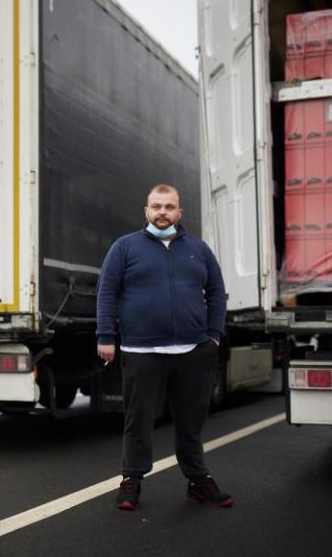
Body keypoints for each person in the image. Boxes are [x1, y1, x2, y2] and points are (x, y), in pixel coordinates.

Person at [96, 183, 232, 510]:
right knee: (138, 420)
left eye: (169, 207)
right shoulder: (124, 248)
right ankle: (131, 481)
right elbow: (107, 292)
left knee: (191, 421)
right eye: (156, 206)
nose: (162, 212)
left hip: (192, 351)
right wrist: (105, 336)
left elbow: (216, 293)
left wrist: (213, 335)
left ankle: (198, 481)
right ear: (146, 210)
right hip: (142, 352)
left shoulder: (198, 250)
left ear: (179, 212)